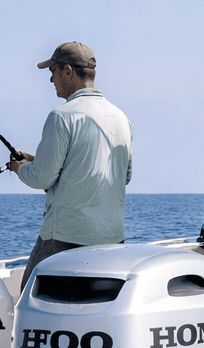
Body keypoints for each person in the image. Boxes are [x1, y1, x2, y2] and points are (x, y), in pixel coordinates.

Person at [7, 41, 133, 292]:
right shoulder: (120, 117)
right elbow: (122, 176)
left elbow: (42, 178)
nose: (51, 79)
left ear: (67, 70)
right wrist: (36, 160)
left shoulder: (62, 115)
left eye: (53, 71)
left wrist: (19, 167)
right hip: (112, 241)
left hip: (64, 241)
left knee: (28, 302)